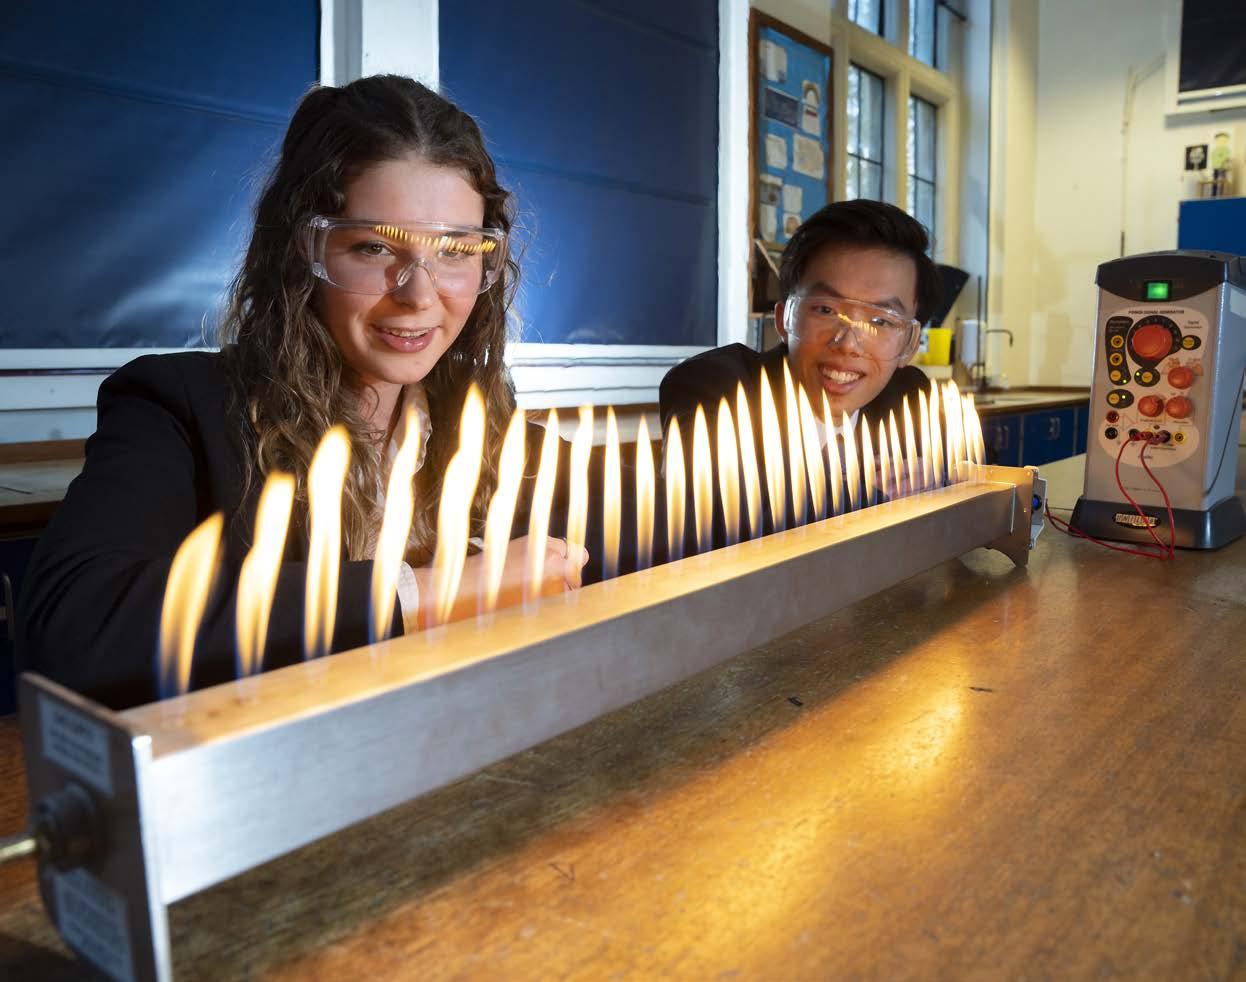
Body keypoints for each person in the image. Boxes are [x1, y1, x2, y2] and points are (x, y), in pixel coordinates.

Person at [18, 75, 585, 710]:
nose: (419, 294)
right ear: (299, 252)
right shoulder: (181, 408)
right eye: (374, 247)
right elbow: (77, 630)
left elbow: (658, 525)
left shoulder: (487, 430)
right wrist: (427, 592)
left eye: (455, 249)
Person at [660, 199, 940, 539]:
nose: (848, 344)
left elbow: (965, 482)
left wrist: (940, 486)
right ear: (784, 319)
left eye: (881, 321)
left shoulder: (908, 395)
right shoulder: (716, 387)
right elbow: (722, 520)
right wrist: (869, 492)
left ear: (910, 343)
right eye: (825, 309)